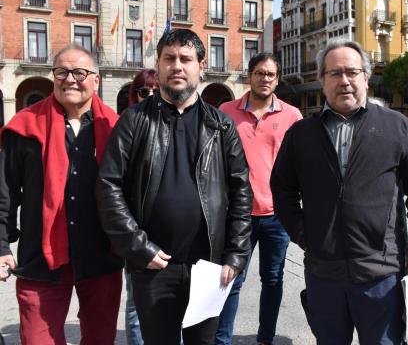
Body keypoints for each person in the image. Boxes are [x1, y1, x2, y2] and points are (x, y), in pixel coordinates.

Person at [270, 38, 408, 344]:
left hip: (381, 275)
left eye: (352, 72)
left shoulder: (397, 127)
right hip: (324, 275)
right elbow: (281, 188)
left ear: (366, 76)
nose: (344, 81)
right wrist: (304, 234)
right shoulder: (301, 133)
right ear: (321, 80)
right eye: (334, 73)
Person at [96, 29, 253, 345]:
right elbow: (108, 186)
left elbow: (240, 192)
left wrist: (236, 255)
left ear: (201, 65)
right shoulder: (134, 121)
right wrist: (139, 248)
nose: (177, 66)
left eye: (186, 59)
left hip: (209, 269)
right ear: (159, 64)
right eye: (169, 58)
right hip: (153, 267)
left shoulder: (221, 126)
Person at [0, 44, 123, 344]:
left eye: (79, 72)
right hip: (40, 258)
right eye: (61, 72)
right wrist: (1, 245)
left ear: (96, 80)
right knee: (36, 339)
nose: (70, 79)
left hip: (101, 256)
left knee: (100, 339)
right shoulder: (24, 126)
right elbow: (4, 190)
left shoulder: (118, 129)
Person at [216, 53, 302, 345]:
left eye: (270, 75)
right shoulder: (225, 111)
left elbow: (301, 165)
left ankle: (265, 338)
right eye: (259, 73)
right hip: (236, 214)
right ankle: (221, 340)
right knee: (231, 280)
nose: (265, 79)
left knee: (274, 279)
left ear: (277, 79)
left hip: (277, 215)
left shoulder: (292, 116)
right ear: (249, 75)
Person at [123, 68, 159, 345]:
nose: (150, 95)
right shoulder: (127, 124)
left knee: (176, 304)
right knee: (136, 304)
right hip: (138, 229)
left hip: (174, 231)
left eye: (155, 90)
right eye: (144, 91)